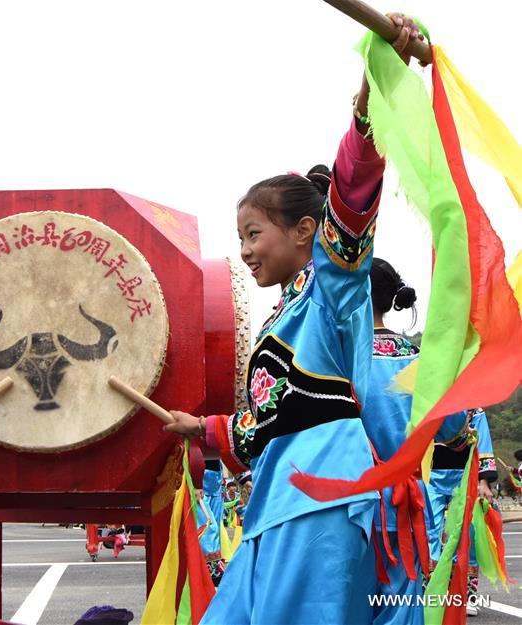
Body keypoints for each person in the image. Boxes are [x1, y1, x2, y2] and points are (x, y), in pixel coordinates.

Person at [164, 15, 428, 623]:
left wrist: (375, 89)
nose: (247, 250)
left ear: (307, 231)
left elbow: (355, 192)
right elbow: (273, 419)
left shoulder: (330, 286)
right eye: (241, 237)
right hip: (279, 502)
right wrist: (201, 430)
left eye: (254, 234)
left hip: (323, 499)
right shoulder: (283, 315)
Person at [363, 258, 471, 624]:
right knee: (399, 606)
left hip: (347, 502)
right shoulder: (418, 362)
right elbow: (454, 430)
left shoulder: (337, 360)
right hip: (403, 506)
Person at [426, 407, 497, 617]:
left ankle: (467, 595)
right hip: (431, 475)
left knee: (468, 534)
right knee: (430, 531)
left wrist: (483, 482)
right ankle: (432, 593)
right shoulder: (430, 399)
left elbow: (482, 442)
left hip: (464, 475)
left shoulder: (474, 407)